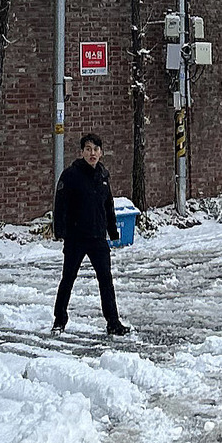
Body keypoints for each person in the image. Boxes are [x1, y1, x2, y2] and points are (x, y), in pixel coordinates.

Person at [52, 133, 130, 335]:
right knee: (68, 278)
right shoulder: (70, 175)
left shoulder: (103, 175)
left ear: (101, 152)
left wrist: (112, 231)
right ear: (81, 152)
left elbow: (108, 205)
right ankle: (59, 319)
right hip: (76, 237)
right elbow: (60, 205)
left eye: (96, 149)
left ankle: (113, 322)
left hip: (97, 237)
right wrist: (60, 231)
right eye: (88, 149)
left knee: (106, 279)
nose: (92, 153)